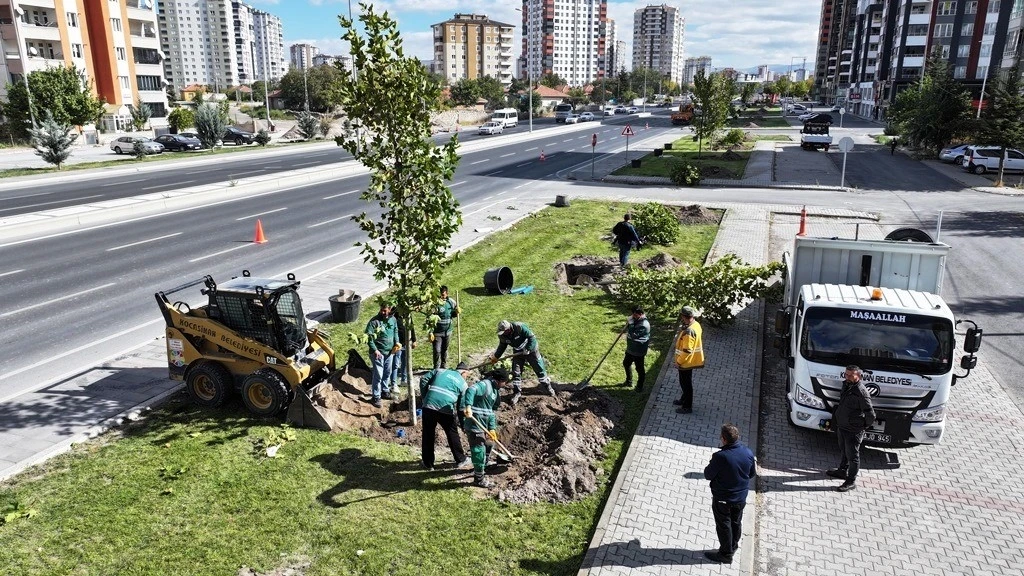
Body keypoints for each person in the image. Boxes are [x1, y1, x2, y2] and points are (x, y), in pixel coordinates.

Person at [703, 424, 756, 564]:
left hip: (723, 499)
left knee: (724, 525)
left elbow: (708, 474)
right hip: (741, 498)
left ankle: (726, 554)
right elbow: (751, 474)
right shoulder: (748, 452)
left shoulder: (720, 457)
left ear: (724, 439)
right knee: (736, 521)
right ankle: (733, 545)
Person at [827, 365, 876, 492]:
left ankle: (851, 481)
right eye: (846, 374)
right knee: (843, 450)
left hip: (853, 429)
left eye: (850, 375)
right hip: (842, 425)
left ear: (858, 376)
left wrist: (862, 426)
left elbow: (871, 414)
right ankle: (842, 470)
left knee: (853, 456)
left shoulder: (861, 392)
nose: (847, 377)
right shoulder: (847, 385)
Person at [463, 367, 511, 488]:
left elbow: (491, 413)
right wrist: (468, 406)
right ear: (500, 380)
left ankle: (483, 465)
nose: (505, 384)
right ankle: (479, 479)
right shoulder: (485, 385)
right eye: (505, 381)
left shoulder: (495, 392)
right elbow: (471, 390)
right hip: (474, 424)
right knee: (479, 450)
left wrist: (492, 429)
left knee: (490, 443)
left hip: (484, 424)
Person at [419, 365, 471, 471]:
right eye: (467, 375)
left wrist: (425, 397)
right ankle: (461, 460)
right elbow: (461, 408)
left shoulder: (440, 371)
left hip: (429, 405)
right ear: (464, 372)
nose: (467, 377)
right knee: (452, 433)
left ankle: (428, 464)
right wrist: (463, 424)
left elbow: (423, 379)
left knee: (428, 434)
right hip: (445, 410)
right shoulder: (463, 384)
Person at [490, 320, 554, 405]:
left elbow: (532, 338)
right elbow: (502, 346)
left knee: (539, 368)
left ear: (508, 329)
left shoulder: (520, 327)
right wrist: (496, 357)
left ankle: (548, 387)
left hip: (531, 351)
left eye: (504, 332)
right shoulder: (503, 336)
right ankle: (517, 393)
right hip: (518, 352)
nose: (502, 334)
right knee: (516, 372)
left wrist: (528, 348)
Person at [365, 301, 399, 408]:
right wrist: (375, 350)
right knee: (378, 374)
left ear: (389, 310)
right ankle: (376, 396)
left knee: (387, 372)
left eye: (385, 310)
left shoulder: (393, 320)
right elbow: (368, 337)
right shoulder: (374, 322)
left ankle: (385, 391)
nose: (383, 312)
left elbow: (395, 331)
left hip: (390, 352)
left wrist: (397, 343)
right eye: (382, 310)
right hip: (377, 353)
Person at [674, 306, 704, 414]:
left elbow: (687, 350)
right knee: (685, 383)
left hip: (686, 362)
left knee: (686, 384)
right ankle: (683, 399)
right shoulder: (696, 325)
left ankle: (687, 406)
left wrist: (678, 362)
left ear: (683, 316)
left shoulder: (689, 331)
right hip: (690, 361)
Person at [430, 285, 460, 369]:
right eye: (440, 295)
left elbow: (452, 314)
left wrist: (456, 312)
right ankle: (436, 367)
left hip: (448, 331)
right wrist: (430, 332)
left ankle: (443, 366)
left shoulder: (451, 302)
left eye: (443, 295)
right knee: (437, 350)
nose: (442, 297)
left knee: (444, 349)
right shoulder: (436, 304)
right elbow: (430, 318)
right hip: (437, 332)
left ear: (447, 294)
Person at [622, 306, 651, 390]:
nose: (633, 316)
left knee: (639, 368)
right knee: (626, 363)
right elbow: (629, 328)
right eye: (632, 314)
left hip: (638, 350)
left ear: (640, 314)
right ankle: (629, 381)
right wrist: (629, 322)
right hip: (631, 348)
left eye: (634, 315)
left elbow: (633, 335)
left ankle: (639, 386)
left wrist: (630, 324)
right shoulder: (636, 319)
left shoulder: (644, 325)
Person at [388, 308, 416, 392]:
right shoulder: (393, 316)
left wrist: (414, 340)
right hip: (397, 344)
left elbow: (411, 327)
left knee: (405, 361)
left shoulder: (407, 315)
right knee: (395, 364)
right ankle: (393, 383)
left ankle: (404, 380)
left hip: (407, 342)